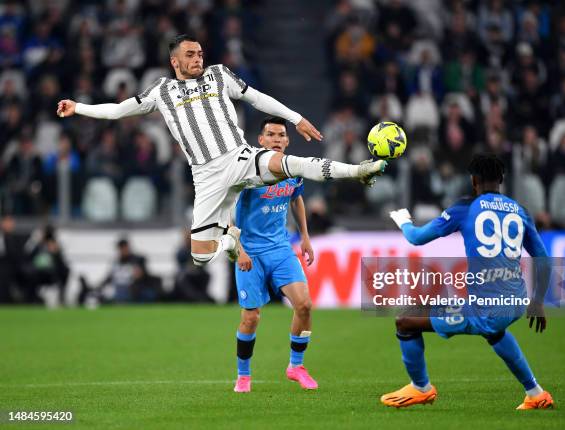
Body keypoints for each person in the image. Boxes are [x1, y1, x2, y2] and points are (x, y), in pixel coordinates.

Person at [57, 34, 386, 267]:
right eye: (190, 55)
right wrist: (79, 107)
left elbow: (256, 98)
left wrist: (295, 117)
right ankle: (230, 242)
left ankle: (357, 171)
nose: (198, 59)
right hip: (206, 177)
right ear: (175, 61)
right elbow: (117, 111)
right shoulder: (162, 90)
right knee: (199, 256)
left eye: (200, 53)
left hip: (239, 158)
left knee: (289, 164)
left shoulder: (218, 75)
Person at [382, 153, 554, 410]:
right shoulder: (520, 211)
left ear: (473, 181)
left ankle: (421, 388)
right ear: (502, 180)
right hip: (517, 302)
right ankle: (536, 393)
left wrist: (405, 222)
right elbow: (543, 258)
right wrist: (538, 301)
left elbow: (417, 238)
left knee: (405, 319)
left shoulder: (465, 208)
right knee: (494, 332)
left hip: (488, 308)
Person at [232, 117, 317, 393]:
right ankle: (243, 376)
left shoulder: (292, 169)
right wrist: (239, 249)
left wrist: (304, 236)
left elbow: (296, 198)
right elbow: (225, 211)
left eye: (281, 135)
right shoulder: (246, 171)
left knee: (304, 305)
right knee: (251, 317)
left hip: (280, 248)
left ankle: (296, 366)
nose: (277, 139)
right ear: (261, 140)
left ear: (288, 140)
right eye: (271, 134)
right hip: (250, 253)